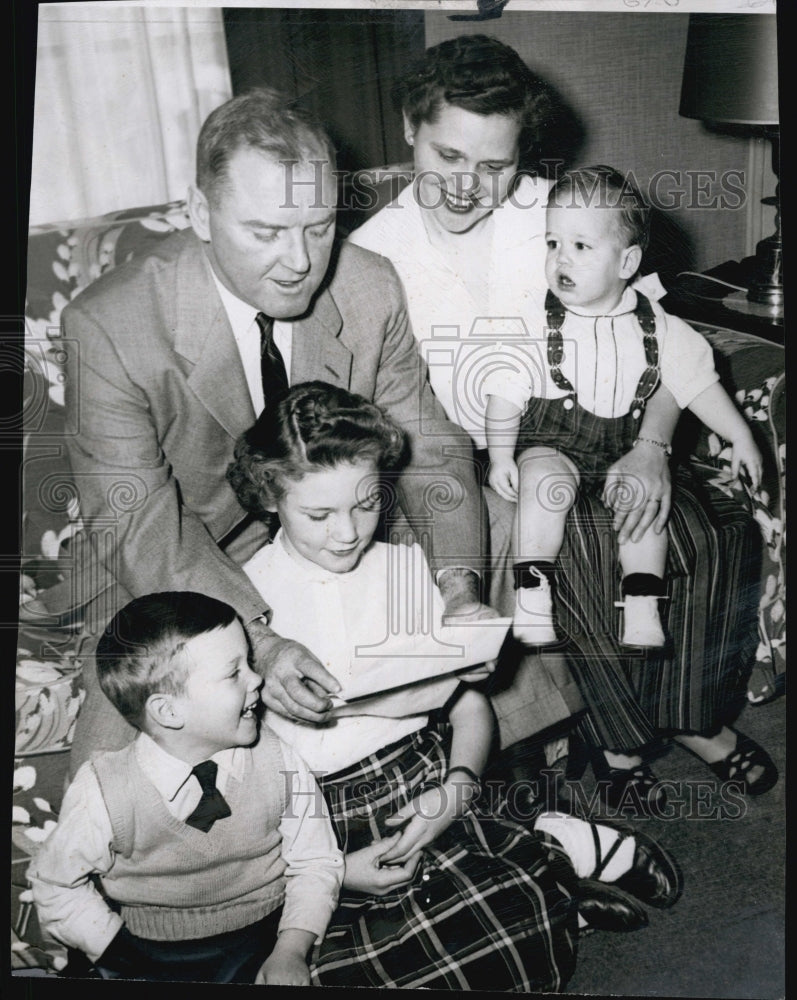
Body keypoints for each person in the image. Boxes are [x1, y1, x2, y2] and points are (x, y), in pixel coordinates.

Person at [347, 33, 774, 813]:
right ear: (410, 127)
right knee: (581, 543)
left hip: (610, 425)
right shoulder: (371, 258)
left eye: (495, 164)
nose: (470, 188)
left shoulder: (555, 207)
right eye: (448, 158)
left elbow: (654, 334)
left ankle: (690, 713)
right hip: (472, 457)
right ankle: (625, 736)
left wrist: (651, 444)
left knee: (711, 530)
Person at [51, 86, 515, 780]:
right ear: (201, 214)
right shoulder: (108, 326)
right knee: (127, 785)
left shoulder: (368, 285)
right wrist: (259, 642)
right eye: (265, 232)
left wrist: (455, 586)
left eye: (319, 226)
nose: (300, 260)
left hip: (333, 521)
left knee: (495, 524)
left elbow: (428, 441)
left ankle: (486, 777)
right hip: (179, 553)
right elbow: (138, 523)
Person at [227, 380, 683, 992]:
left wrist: (459, 788)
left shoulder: (408, 571)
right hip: (314, 823)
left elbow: (469, 706)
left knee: (500, 943)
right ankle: (554, 869)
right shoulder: (244, 604)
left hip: (429, 787)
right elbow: (237, 777)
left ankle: (550, 871)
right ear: (268, 498)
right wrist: (333, 867)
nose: (347, 532)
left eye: (366, 505)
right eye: (318, 514)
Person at [485, 165, 764, 650]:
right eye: (552, 243)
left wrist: (740, 435)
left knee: (645, 508)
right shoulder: (535, 320)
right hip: (553, 444)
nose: (560, 261)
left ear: (627, 261)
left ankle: (641, 603)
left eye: (580, 246)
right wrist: (500, 455)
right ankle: (533, 593)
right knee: (544, 483)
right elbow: (503, 392)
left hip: (625, 446)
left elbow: (699, 385)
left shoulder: (656, 325)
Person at [26, 591, 344, 984]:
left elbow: (315, 860)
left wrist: (291, 950)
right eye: (234, 673)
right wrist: (115, 952)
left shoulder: (279, 761)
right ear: (168, 711)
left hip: (267, 938)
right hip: (145, 952)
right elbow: (55, 882)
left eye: (249, 663)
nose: (257, 678)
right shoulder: (105, 792)